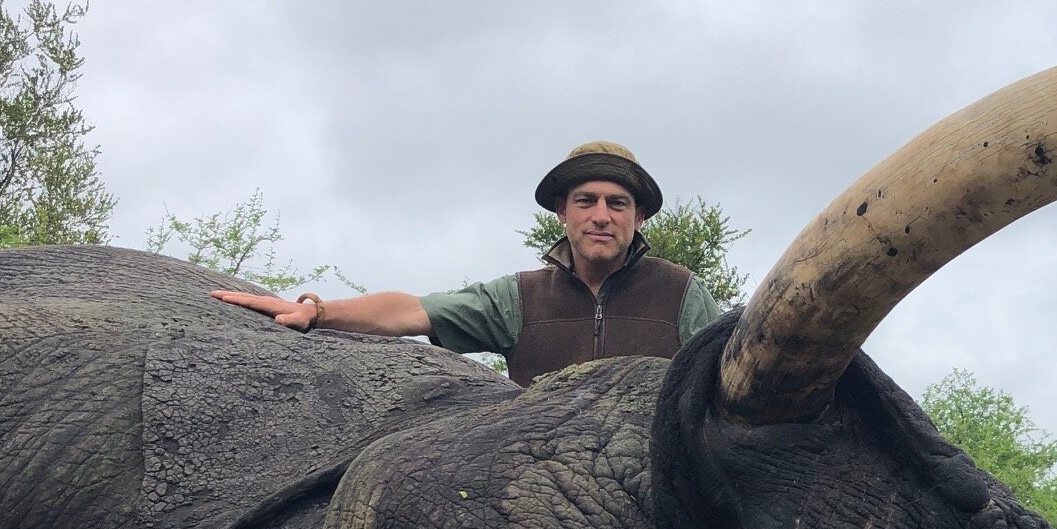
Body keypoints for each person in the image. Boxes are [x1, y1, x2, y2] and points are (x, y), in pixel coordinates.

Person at [210, 142, 719, 385]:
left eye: (618, 203)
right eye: (586, 201)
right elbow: (414, 311)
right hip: (547, 489)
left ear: (640, 216)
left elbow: (730, 379)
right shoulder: (519, 297)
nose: (601, 217)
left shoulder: (682, 293)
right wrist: (319, 314)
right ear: (562, 212)